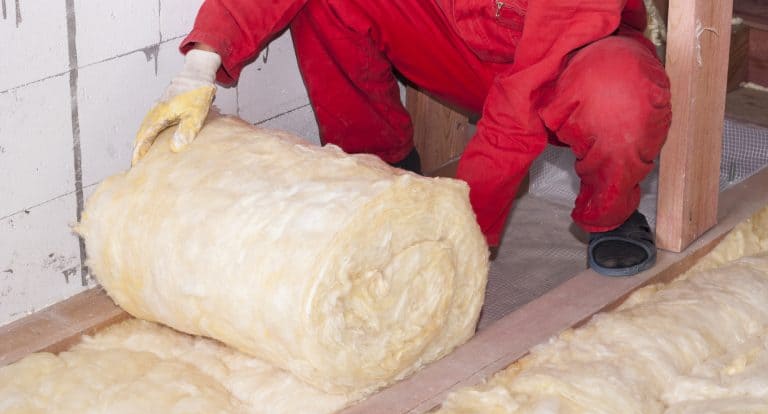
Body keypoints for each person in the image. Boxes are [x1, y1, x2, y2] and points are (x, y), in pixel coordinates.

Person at [132, 0, 672, 277]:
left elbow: (520, 105)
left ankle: (610, 213)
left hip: (566, 62)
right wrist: (203, 63)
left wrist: (463, 230)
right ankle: (384, 169)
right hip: (458, 43)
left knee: (621, 100)